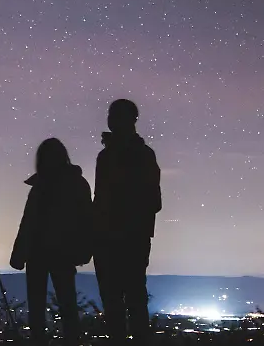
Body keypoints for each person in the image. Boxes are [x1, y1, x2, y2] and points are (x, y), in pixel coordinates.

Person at [10, 138, 94, 344]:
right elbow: (87, 219)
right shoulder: (75, 183)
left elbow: (28, 222)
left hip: (42, 252)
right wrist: (84, 250)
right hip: (60, 252)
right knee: (66, 304)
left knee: (41, 306)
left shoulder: (41, 185)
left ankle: (42, 340)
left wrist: (19, 253)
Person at [93, 99, 161, 345]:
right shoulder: (111, 156)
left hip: (126, 239)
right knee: (125, 300)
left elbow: (152, 200)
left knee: (125, 300)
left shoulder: (137, 155)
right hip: (122, 240)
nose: (111, 120)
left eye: (116, 115)